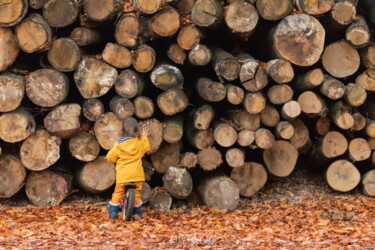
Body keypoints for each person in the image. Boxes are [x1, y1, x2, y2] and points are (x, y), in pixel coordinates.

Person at [106, 117, 151, 219]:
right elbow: (146, 147)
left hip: (123, 176)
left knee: (118, 192)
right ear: (136, 129)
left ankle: (113, 212)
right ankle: (138, 213)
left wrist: (108, 158)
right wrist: (144, 136)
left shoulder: (118, 145)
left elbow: (110, 157)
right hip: (136, 175)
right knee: (137, 193)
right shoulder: (139, 143)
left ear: (123, 130)